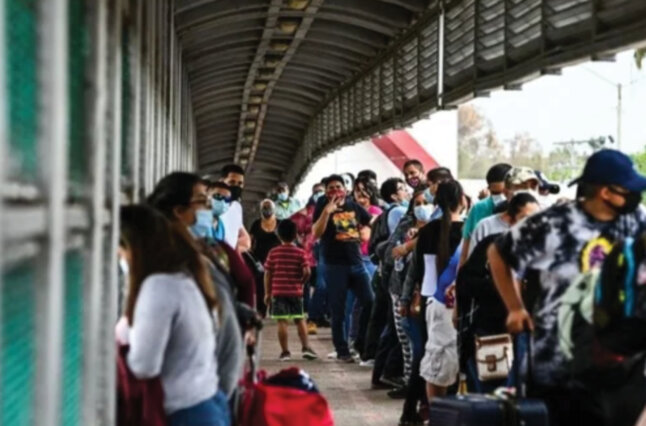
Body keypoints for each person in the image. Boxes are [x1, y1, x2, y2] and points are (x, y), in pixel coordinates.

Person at [488, 149, 646, 426]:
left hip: (620, 363)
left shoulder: (636, 221)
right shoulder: (554, 223)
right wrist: (515, 308)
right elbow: (499, 253)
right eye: (628, 189)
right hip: (560, 364)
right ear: (605, 192)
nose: (635, 196)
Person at [118, 205, 230, 425]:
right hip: (206, 403)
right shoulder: (184, 277)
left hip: (186, 413)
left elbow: (144, 365)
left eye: (120, 250)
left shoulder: (158, 286)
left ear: (133, 246)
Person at [456, 193, 540, 393]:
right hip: (493, 332)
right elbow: (466, 281)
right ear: (510, 220)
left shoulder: (544, 251)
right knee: (491, 393)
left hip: (531, 337)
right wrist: (504, 287)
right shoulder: (491, 245)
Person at [402, 180, 466, 413]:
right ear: (463, 201)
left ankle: (414, 408)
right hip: (457, 302)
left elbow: (415, 269)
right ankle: (445, 410)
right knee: (454, 356)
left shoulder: (427, 230)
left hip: (429, 300)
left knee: (426, 355)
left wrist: (406, 298)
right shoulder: (469, 230)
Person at [381, 185, 435, 415]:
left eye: (426, 203)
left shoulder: (438, 229)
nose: (421, 208)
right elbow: (388, 255)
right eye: (418, 203)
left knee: (420, 344)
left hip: (425, 293)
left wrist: (411, 246)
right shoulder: (405, 226)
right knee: (406, 340)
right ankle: (408, 382)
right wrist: (403, 247)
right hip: (401, 290)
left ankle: (417, 389)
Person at [313, 174, 375, 362]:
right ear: (325, 191)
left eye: (338, 187)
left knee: (370, 302)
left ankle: (360, 343)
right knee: (338, 309)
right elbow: (316, 232)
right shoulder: (322, 205)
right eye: (330, 188)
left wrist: (367, 232)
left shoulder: (353, 205)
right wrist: (327, 212)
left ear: (345, 189)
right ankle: (342, 350)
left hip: (357, 263)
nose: (335, 191)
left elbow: (370, 221)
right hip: (334, 266)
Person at [264, 220, 318, 361]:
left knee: (282, 322)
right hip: (295, 292)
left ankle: (285, 352)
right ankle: (306, 347)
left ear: (278, 235)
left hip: (278, 292)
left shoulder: (273, 253)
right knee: (300, 320)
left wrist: (267, 293)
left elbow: (268, 273)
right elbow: (307, 271)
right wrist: (302, 282)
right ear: (295, 235)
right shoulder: (300, 253)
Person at [291, 182, 328, 335]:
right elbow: (290, 227)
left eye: (321, 191)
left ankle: (316, 316)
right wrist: (298, 242)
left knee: (322, 286)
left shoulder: (329, 209)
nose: (318, 194)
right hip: (307, 254)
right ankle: (310, 317)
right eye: (316, 192)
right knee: (308, 286)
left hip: (324, 253)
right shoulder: (303, 214)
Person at [459, 163, 512, 265]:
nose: (500, 197)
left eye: (503, 192)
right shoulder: (479, 209)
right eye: (495, 193)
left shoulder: (524, 211)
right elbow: (465, 251)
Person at [249, 199, 281, 316]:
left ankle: (275, 309)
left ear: (274, 208)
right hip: (260, 260)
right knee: (260, 286)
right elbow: (250, 241)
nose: (267, 209)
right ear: (260, 209)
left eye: (269, 207)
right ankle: (261, 311)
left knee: (276, 285)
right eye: (264, 207)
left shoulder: (280, 223)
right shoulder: (256, 224)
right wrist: (250, 255)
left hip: (277, 260)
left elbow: (287, 240)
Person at [219, 164, 251, 252]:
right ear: (222, 182)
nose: (236, 186)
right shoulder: (212, 206)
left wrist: (234, 252)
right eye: (232, 182)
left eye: (240, 183)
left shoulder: (237, 207)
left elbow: (245, 238)